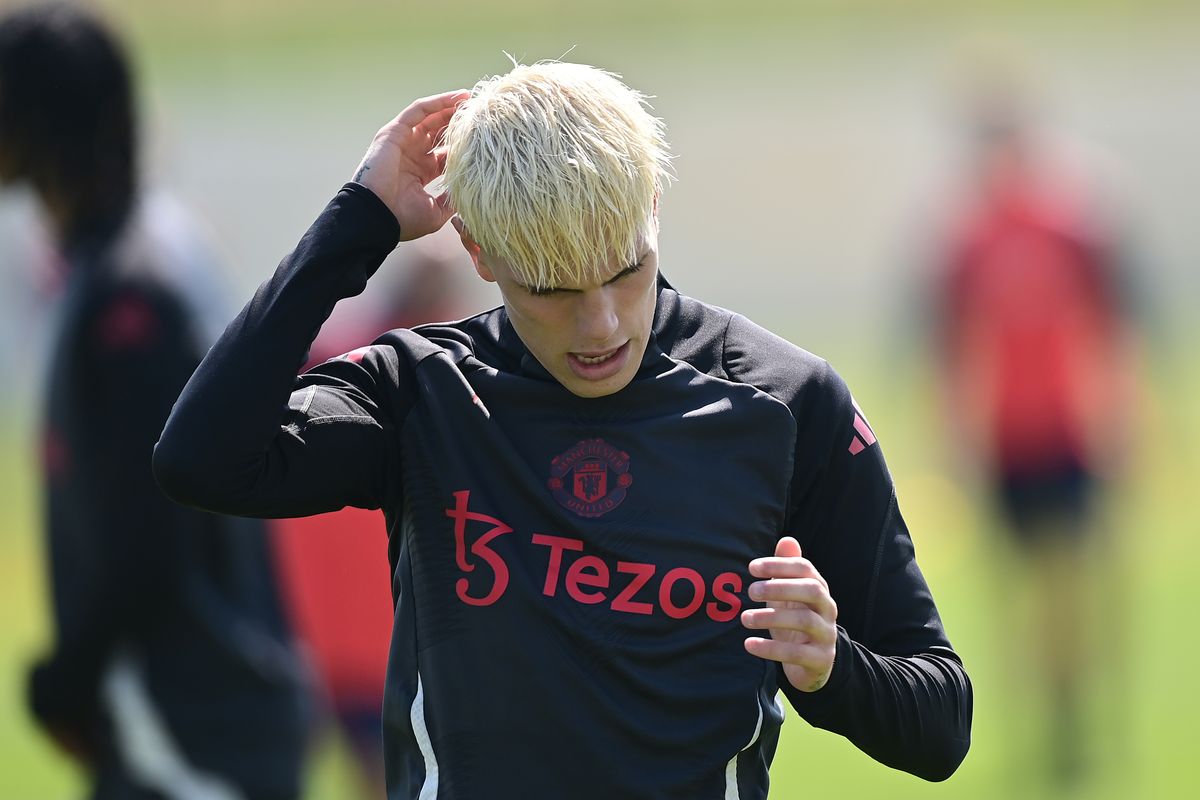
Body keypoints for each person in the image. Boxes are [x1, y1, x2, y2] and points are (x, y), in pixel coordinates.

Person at [154, 61, 972, 798]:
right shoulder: (424, 389)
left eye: (626, 270)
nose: (601, 324)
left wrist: (834, 669)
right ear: (477, 249)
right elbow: (202, 459)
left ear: (652, 209)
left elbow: (941, 724)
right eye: (553, 290)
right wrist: (355, 223)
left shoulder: (786, 402)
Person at [0, 5, 310, 798]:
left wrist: (66, 679)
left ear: (34, 122)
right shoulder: (145, 250)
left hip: (188, 731)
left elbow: (147, 528)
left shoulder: (129, 296)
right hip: (199, 721)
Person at [929, 67, 1141, 787]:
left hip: (1070, 434)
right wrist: (956, 441)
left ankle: (1072, 724)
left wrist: (1124, 421)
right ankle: (1037, 725)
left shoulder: (1077, 221)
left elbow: (1116, 327)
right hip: (1005, 443)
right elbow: (949, 343)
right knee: (1016, 600)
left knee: (1075, 597)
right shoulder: (966, 236)